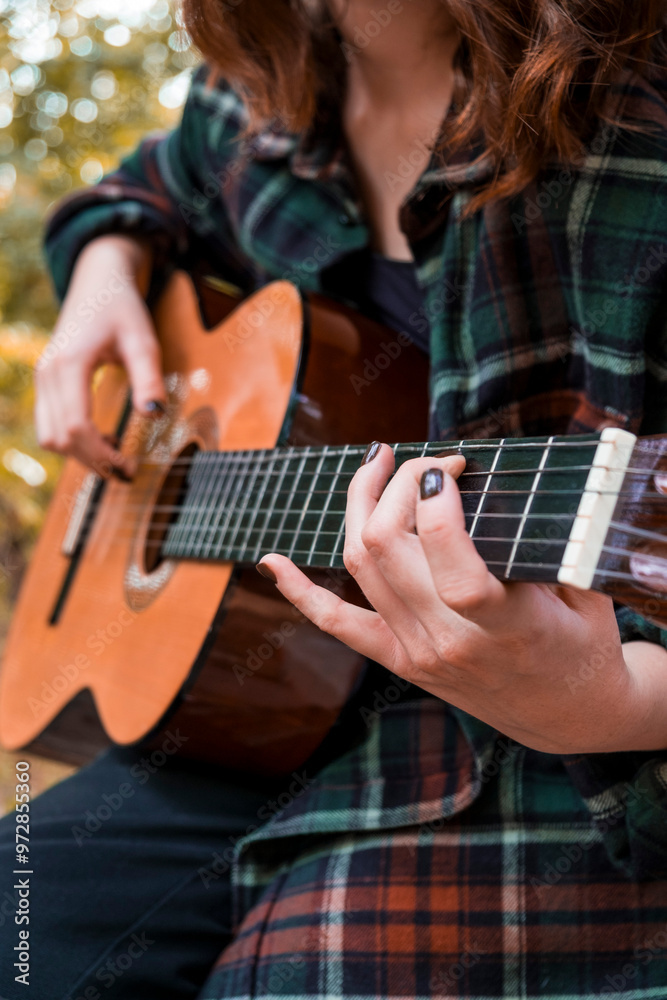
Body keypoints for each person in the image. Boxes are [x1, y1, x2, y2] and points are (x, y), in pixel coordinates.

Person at [2, 1, 667, 997]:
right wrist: (104, 266)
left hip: (568, 762)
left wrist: (607, 703)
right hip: (259, 712)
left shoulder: (639, 105)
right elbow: (140, 187)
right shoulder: (249, 100)